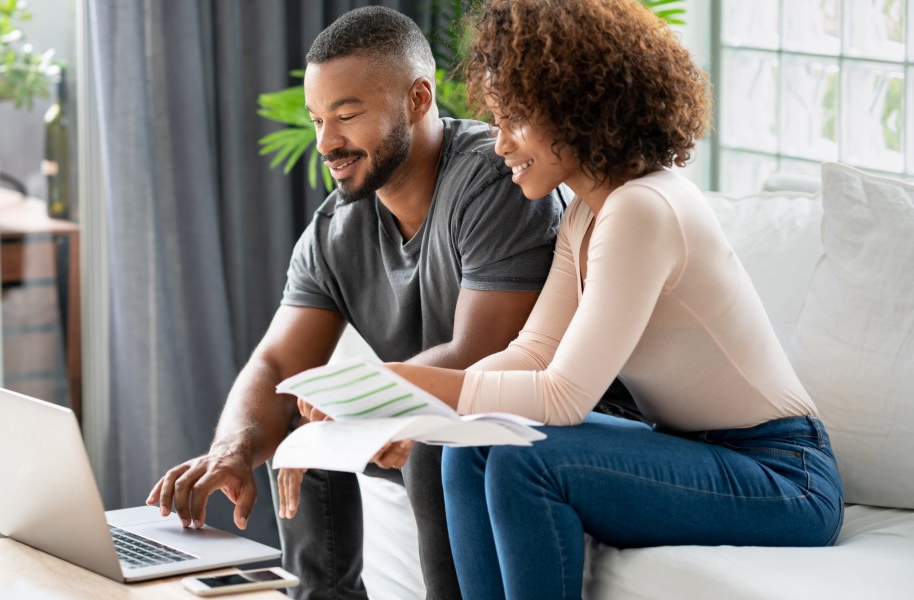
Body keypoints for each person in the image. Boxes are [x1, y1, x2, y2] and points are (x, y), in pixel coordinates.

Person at [145, 6, 636, 600]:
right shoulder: (335, 229)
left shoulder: (495, 179)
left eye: (347, 115)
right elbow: (276, 365)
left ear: (418, 99)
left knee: (433, 439)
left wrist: (360, 405)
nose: (327, 143)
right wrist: (233, 448)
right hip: (427, 412)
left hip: (553, 418)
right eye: (317, 119)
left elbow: (484, 356)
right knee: (305, 424)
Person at [379, 1, 845, 598]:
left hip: (785, 476)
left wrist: (406, 386)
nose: (500, 145)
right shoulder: (586, 213)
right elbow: (533, 352)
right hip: (699, 451)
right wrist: (429, 407)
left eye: (515, 119)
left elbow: (564, 397)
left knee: (526, 462)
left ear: (576, 107)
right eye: (496, 121)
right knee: (472, 444)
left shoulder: (641, 209)